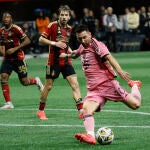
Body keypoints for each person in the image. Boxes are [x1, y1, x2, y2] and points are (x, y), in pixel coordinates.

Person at [59, 25, 142, 145]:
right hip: (94, 89)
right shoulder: (83, 46)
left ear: (90, 34)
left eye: (84, 37)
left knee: (136, 105)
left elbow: (109, 57)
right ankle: (90, 136)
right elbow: (76, 54)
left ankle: (134, 85)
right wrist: (67, 55)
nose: (82, 41)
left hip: (108, 84)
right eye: (80, 39)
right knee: (86, 110)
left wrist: (120, 71)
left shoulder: (97, 45)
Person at [36, 5, 83, 120]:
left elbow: (65, 44)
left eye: (66, 15)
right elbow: (41, 39)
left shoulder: (70, 29)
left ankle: (81, 110)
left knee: (75, 85)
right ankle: (40, 110)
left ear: (69, 17)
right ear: (59, 15)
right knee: (49, 86)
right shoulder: (52, 25)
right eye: (62, 15)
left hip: (66, 61)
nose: (63, 17)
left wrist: (73, 53)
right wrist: (54, 43)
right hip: (53, 61)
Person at [0, 11, 44, 109]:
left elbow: (27, 40)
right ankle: (8, 103)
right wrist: (3, 52)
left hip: (18, 58)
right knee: (3, 77)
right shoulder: (1, 31)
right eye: (4, 17)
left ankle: (36, 81)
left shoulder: (16, 29)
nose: (6, 19)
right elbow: (2, 45)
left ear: (11, 19)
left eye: (8, 17)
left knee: (24, 82)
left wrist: (14, 49)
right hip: (8, 59)